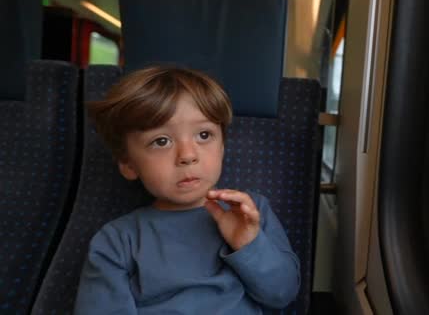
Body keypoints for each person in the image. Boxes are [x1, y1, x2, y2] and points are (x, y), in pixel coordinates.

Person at [73, 66, 300, 314]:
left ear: (222, 147)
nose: (188, 155)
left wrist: (249, 245)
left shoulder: (250, 212)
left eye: (204, 135)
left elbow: (282, 294)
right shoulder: (117, 240)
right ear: (129, 164)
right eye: (161, 141)